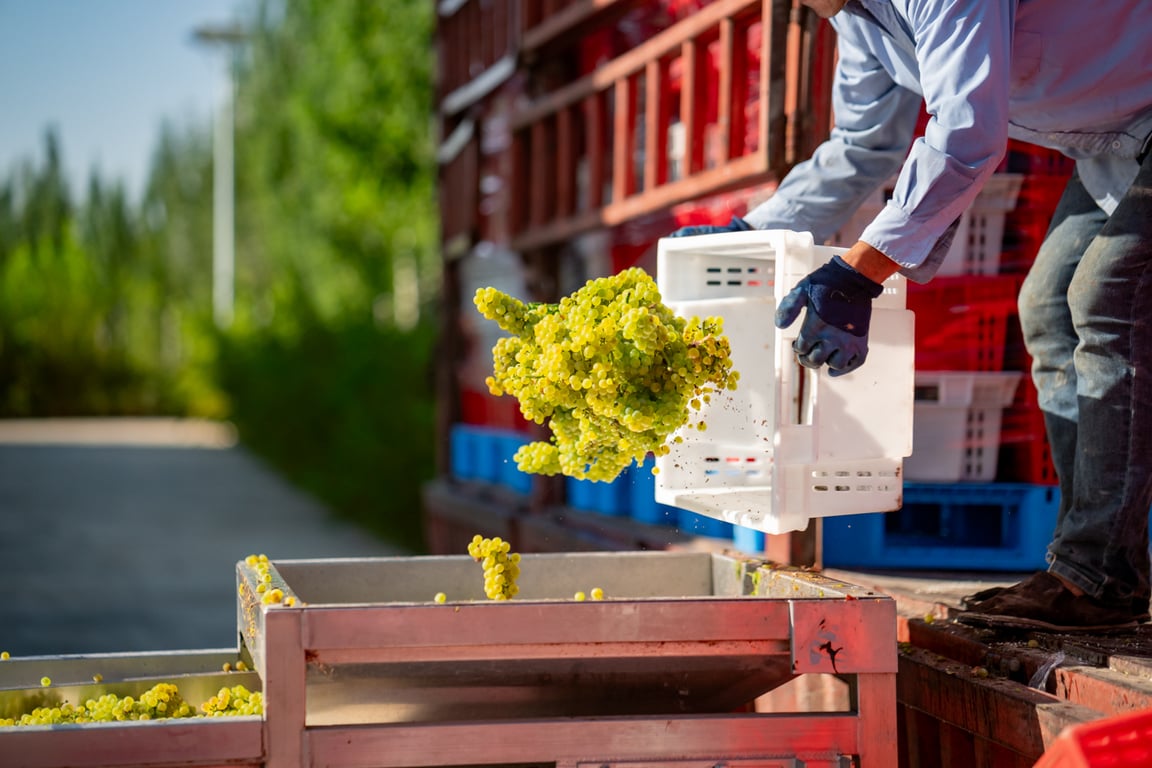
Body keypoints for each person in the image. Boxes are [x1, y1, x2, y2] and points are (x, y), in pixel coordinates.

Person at [672, 0, 1152, 633]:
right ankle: (1091, 570)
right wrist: (750, 232)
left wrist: (859, 273)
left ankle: (1097, 578)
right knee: (1048, 307)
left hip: (1131, 120)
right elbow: (863, 144)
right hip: (1118, 141)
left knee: (1108, 294)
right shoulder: (857, 20)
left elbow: (965, 135)